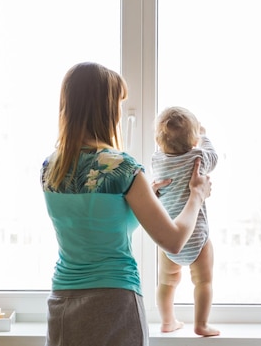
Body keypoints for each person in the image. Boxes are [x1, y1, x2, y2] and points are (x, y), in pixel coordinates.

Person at [40, 62, 212, 346]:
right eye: (118, 103)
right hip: (114, 300)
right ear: (105, 109)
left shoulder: (50, 167)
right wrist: (196, 193)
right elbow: (175, 241)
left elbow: (96, 225)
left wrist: (144, 197)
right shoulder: (121, 167)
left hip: (62, 301)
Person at [151, 106, 220, 337]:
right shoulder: (197, 158)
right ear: (193, 141)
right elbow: (214, 157)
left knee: (167, 283)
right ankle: (201, 324)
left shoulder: (158, 162)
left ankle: (167, 321)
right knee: (203, 282)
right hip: (195, 235)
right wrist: (203, 136)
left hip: (168, 235)